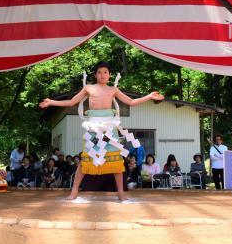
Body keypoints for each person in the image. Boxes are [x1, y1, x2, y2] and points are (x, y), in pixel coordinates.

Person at [40, 61, 164, 201]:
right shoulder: (88, 88)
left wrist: (149, 96)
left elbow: (131, 102)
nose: (102, 75)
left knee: (116, 160)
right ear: (95, 75)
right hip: (93, 129)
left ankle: (121, 193)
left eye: (105, 72)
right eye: (99, 72)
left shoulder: (113, 90)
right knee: (85, 160)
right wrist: (51, 102)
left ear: (110, 75)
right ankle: (74, 192)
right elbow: (71, 102)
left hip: (109, 130)